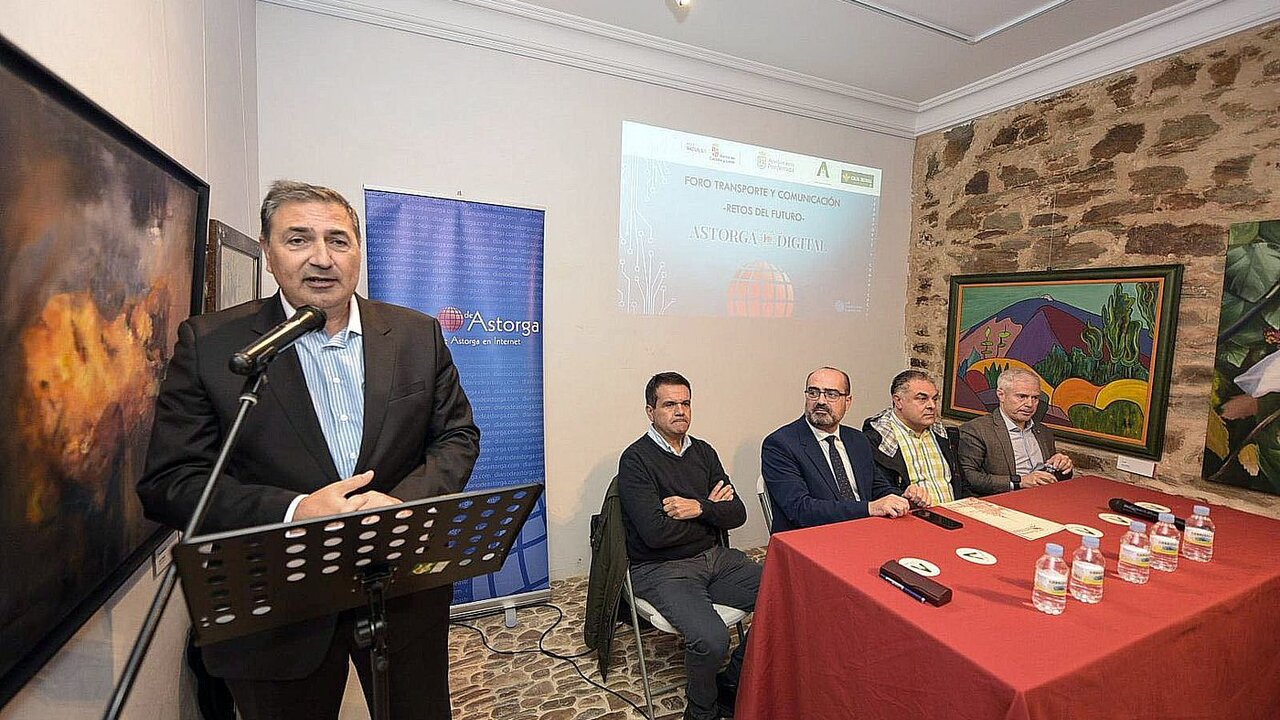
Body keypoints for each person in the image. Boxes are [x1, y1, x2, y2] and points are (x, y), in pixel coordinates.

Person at [138, 180, 480, 720]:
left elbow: (457, 436)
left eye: (339, 241)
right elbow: (172, 482)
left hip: (400, 588)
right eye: (298, 240)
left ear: (359, 252)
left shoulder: (417, 335)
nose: (322, 258)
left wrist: (403, 501)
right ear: (268, 253)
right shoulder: (214, 345)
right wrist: (297, 511)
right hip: (278, 602)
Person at [617, 372, 761, 720]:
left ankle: (731, 683)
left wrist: (696, 507)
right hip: (660, 568)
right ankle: (701, 712)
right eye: (669, 404)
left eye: (685, 403)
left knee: (787, 596)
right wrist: (711, 511)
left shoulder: (704, 452)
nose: (680, 411)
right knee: (712, 640)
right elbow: (655, 535)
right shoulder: (635, 460)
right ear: (650, 411)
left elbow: (737, 513)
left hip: (714, 558)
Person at [761, 367, 910, 532]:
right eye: (813, 393)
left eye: (831, 394)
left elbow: (877, 487)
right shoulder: (780, 444)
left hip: (866, 529)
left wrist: (904, 497)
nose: (821, 401)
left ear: (848, 402)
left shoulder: (857, 440)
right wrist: (869, 508)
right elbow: (801, 510)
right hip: (813, 537)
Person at [957, 367, 1073, 495]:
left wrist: (1063, 467)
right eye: (1022, 396)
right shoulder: (977, 430)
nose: (1030, 404)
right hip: (1001, 503)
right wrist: (1019, 482)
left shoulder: (1043, 432)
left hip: (1043, 498)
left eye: (1035, 398)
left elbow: (1052, 477)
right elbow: (969, 478)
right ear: (1001, 395)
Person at [862, 370, 968, 506]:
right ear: (898, 401)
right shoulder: (876, 440)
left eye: (934, 399)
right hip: (909, 519)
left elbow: (961, 484)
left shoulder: (945, 435)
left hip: (954, 514)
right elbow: (877, 491)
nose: (932, 406)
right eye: (922, 399)